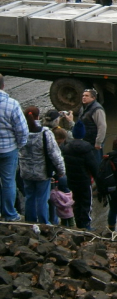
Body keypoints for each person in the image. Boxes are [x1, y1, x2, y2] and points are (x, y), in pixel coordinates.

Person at [20, 106, 66, 224]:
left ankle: (30, 222)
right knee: (42, 199)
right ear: (38, 117)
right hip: (42, 172)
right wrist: (61, 171)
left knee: (29, 197)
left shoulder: (20, 132)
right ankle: (44, 223)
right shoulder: (45, 133)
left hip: (25, 171)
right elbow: (54, 154)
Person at [0, 75, 29, 222]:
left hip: (9, 148)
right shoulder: (12, 104)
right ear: (3, 86)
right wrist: (19, 145)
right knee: (9, 182)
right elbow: (22, 131)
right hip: (8, 150)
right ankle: (10, 214)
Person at [61, 121, 98, 230]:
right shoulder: (86, 148)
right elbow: (93, 167)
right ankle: (86, 225)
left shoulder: (66, 148)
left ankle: (78, 224)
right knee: (86, 203)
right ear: (83, 133)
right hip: (84, 181)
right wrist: (99, 180)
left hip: (72, 181)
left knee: (76, 202)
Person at [78, 88, 107, 166]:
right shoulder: (83, 107)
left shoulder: (97, 109)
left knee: (96, 164)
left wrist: (98, 142)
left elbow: (102, 127)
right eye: (83, 95)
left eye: (87, 96)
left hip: (94, 142)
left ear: (93, 98)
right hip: (86, 140)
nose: (84, 97)